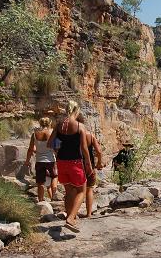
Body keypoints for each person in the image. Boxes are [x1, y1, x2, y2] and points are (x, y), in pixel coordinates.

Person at [47, 100, 93, 233]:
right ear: (76, 110)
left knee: (69, 192)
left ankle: (68, 216)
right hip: (75, 163)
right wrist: (88, 164)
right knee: (81, 191)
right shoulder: (79, 126)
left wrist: (59, 147)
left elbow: (50, 143)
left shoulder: (59, 125)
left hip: (61, 162)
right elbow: (84, 148)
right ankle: (71, 218)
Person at [24, 117, 58, 202]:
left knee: (40, 182)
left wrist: (27, 160)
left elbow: (30, 149)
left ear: (40, 123)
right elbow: (57, 148)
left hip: (39, 160)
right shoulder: (52, 133)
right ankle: (54, 195)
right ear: (49, 123)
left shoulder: (35, 134)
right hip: (50, 160)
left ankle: (41, 200)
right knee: (54, 176)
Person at [76, 113, 103, 218]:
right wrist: (99, 163)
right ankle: (88, 214)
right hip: (89, 165)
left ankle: (72, 214)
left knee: (75, 189)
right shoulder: (90, 135)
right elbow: (99, 151)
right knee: (89, 189)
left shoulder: (72, 136)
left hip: (76, 164)